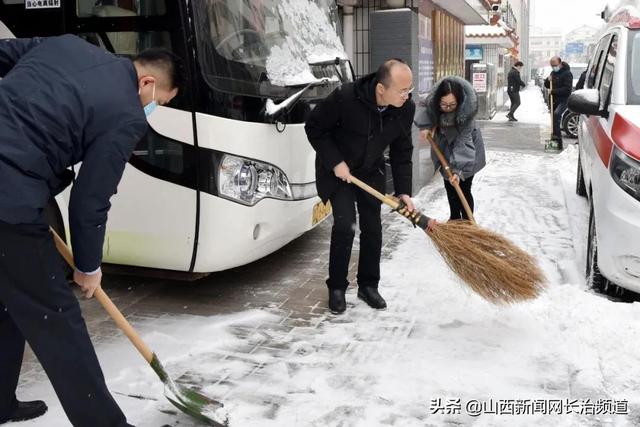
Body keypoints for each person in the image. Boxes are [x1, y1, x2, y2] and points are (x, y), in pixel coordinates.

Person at [0, 34, 182, 425]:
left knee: (9, 302)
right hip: (8, 198)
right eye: (160, 103)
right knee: (58, 317)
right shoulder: (126, 114)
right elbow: (90, 201)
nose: (153, 109)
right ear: (147, 83)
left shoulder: (65, 44)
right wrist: (87, 266)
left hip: (12, 191)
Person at [305, 58, 436, 315]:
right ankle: (337, 288)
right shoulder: (345, 98)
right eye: (401, 91)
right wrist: (335, 162)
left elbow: (401, 150)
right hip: (338, 171)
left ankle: (368, 285)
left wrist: (404, 192)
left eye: (409, 91)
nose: (406, 96)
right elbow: (315, 127)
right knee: (345, 226)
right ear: (381, 89)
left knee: (373, 229)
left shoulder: (403, 108)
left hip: (369, 172)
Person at [414, 76, 486, 221]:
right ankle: (454, 219)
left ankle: (467, 222)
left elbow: (463, 145)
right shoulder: (432, 101)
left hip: (468, 152)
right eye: (443, 104)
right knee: (449, 185)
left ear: (459, 102)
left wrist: (458, 171)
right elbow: (425, 110)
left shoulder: (466, 115)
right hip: (445, 147)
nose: (447, 108)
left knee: (463, 188)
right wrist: (426, 127)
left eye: (452, 105)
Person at [544, 57, 573, 150]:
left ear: (560, 63)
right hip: (554, 100)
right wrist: (547, 80)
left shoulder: (567, 74)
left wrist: (554, 91)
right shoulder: (553, 73)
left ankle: (559, 142)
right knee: (553, 120)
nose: (554, 67)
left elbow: (567, 89)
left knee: (556, 115)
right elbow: (547, 85)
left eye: (555, 65)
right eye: (552, 66)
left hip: (563, 100)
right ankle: (555, 142)